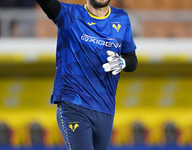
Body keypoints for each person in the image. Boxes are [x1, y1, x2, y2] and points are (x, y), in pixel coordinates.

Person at [36, 0, 138, 149]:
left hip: (106, 108)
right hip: (74, 103)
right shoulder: (70, 14)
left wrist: (123, 63)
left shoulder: (121, 18)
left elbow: (132, 60)